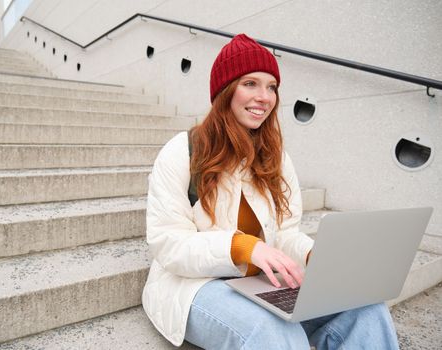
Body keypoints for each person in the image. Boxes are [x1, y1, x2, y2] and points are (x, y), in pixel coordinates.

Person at [142, 33, 399, 349]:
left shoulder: (276, 159)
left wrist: (314, 255)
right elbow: (168, 244)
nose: (264, 96)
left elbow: (286, 234)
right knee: (273, 327)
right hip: (194, 286)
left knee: (366, 308)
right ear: (225, 91)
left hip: (262, 283)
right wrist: (242, 247)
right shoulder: (182, 151)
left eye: (271, 87)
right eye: (250, 83)